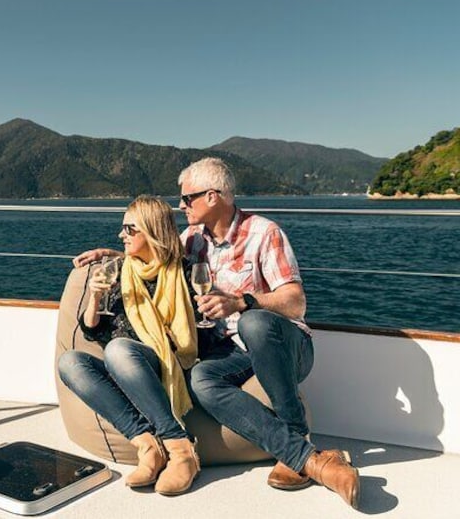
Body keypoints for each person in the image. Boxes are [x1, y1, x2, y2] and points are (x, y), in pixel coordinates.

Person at [73, 158, 361, 510]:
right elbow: (156, 254)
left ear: (212, 196)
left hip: (283, 345)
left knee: (254, 322)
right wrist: (115, 254)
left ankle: (296, 432)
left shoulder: (264, 233)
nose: (181, 206)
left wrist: (242, 302)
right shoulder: (193, 239)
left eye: (187, 199)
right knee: (202, 381)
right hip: (228, 350)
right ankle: (312, 460)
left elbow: (296, 303)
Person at [58, 195, 200, 496]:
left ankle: (181, 448)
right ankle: (148, 445)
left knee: (119, 349)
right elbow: (93, 331)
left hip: (161, 364)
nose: (121, 234)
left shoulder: (182, 272)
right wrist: (95, 297)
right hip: (118, 362)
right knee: (70, 362)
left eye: (129, 229)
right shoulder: (122, 270)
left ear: (151, 231)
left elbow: (194, 329)